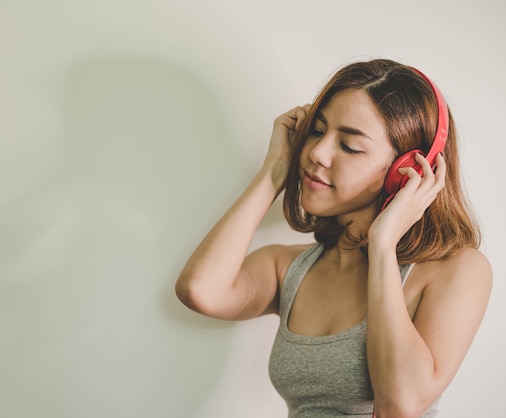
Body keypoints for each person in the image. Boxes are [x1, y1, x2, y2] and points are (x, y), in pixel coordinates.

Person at [175, 59, 492, 417]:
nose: (316, 153)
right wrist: (274, 172)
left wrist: (383, 246)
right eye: (317, 130)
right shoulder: (288, 268)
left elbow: (400, 405)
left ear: (407, 173)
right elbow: (200, 291)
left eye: (350, 146)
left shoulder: (458, 270)